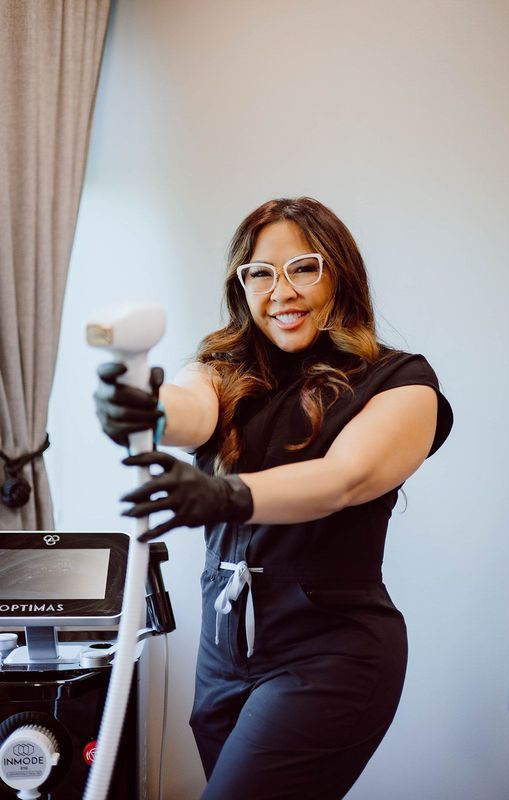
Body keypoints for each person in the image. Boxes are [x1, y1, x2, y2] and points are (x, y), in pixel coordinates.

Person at [94, 197, 453, 800]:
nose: (280, 290)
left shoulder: (401, 383)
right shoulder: (222, 371)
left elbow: (345, 478)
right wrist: (141, 410)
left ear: (340, 273)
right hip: (223, 658)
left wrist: (223, 494)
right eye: (260, 272)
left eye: (303, 268)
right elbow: (188, 409)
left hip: (331, 656)